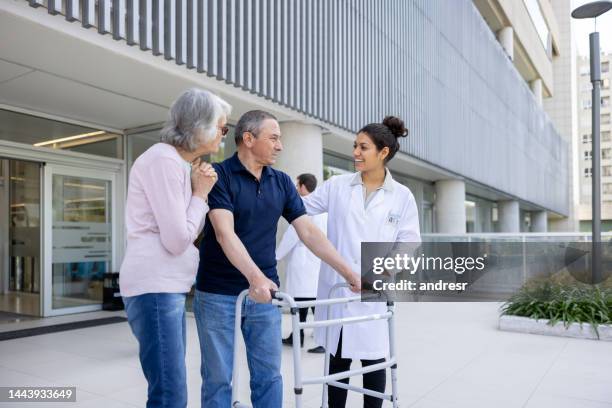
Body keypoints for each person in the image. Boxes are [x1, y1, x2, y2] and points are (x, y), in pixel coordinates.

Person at [193, 110, 360, 408]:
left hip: (265, 297)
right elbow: (224, 234)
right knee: (219, 377)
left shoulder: (281, 182)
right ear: (248, 139)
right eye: (273, 138)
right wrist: (254, 278)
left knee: (269, 376)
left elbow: (308, 232)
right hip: (218, 293)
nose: (280, 146)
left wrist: (349, 272)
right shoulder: (220, 177)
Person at [120, 88, 231, 408]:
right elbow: (178, 238)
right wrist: (201, 193)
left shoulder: (175, 164)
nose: (223, 135)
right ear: (200, 126)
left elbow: (186, 229)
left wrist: (198, 192)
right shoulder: (164, 161)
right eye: (221, 127)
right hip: (155, 285)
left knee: (169, 386)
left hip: (163, 285)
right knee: (169, 392)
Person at [303, 116, 421, 408]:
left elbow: (409, 242)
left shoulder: (402, 196)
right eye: (355, 145)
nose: (355, 152)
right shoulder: (337, 186)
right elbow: (299, 207)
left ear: (383, 153)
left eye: (363, 147)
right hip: (339, 291)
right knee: (338, 364)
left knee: (374, 364)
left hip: (372, 292)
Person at [276, 173, 327, 353]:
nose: (296, 188)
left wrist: (275, 256)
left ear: (304, 186)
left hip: (303, 261)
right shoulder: (322, 207)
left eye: (297, 185)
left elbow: (293, 234)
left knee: (302, 301)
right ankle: (300, 336)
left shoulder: (304, 205)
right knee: (310, 301)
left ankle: (310, 339)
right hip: (315, 260)